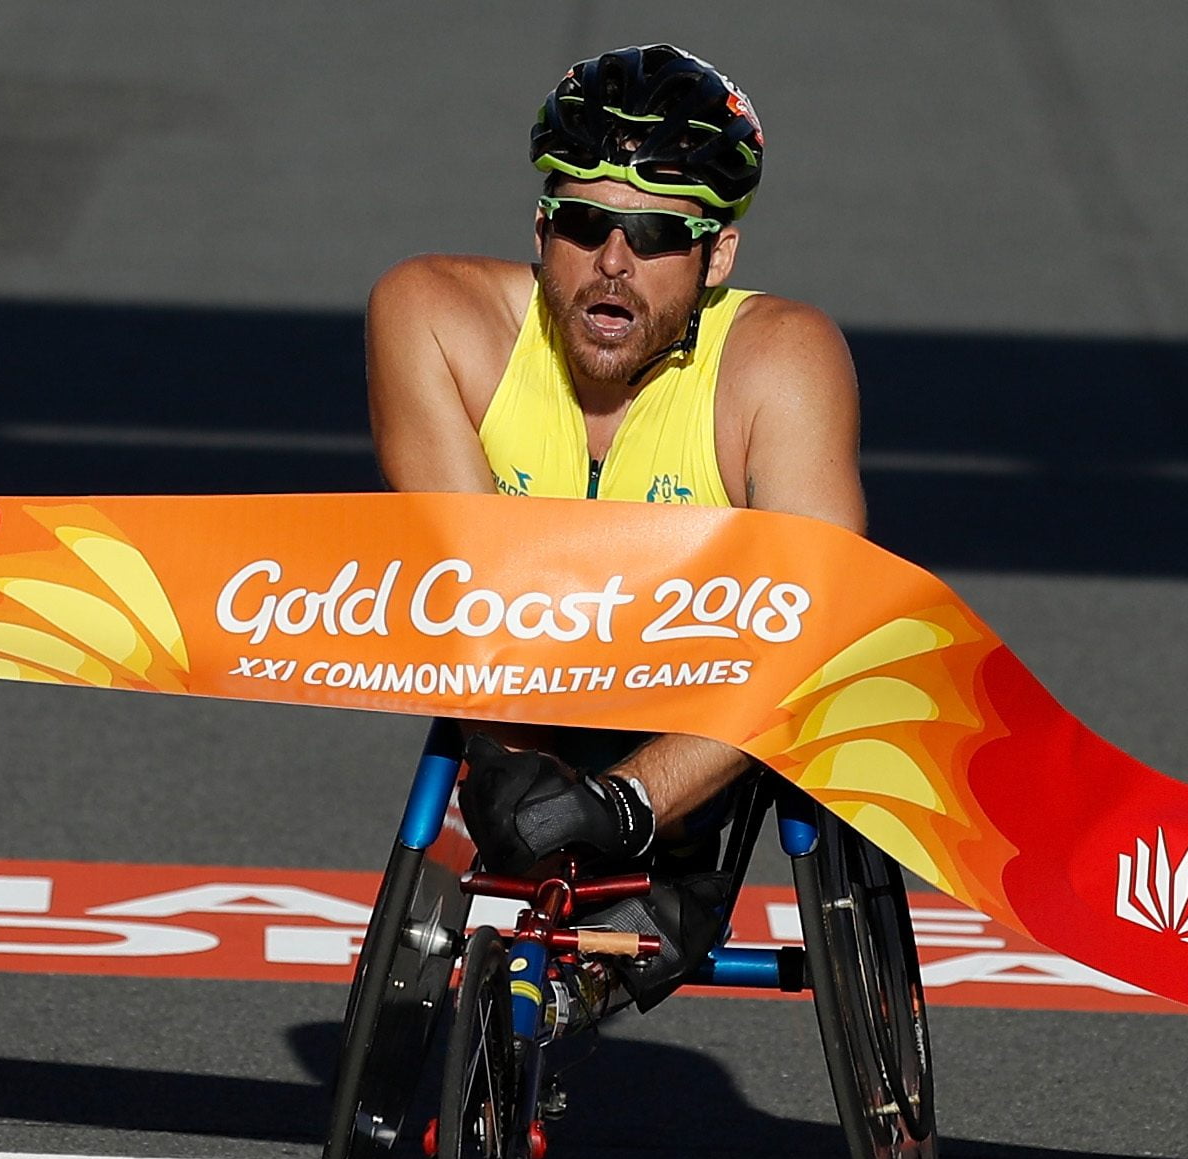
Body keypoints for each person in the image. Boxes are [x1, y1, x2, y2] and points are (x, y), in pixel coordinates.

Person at [365, 44, 868, 1019]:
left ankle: (612, 940)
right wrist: (529, 772)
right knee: (522, 810)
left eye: (657, 234)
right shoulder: (432, 316)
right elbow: (462, 582)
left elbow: (820, 621)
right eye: (585, 222)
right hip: (515, 682)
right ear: (542, 226)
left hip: (704, 710)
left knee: (659, 885)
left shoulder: (781, 362)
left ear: (717, 256)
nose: (613, 261)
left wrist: (633, 798)